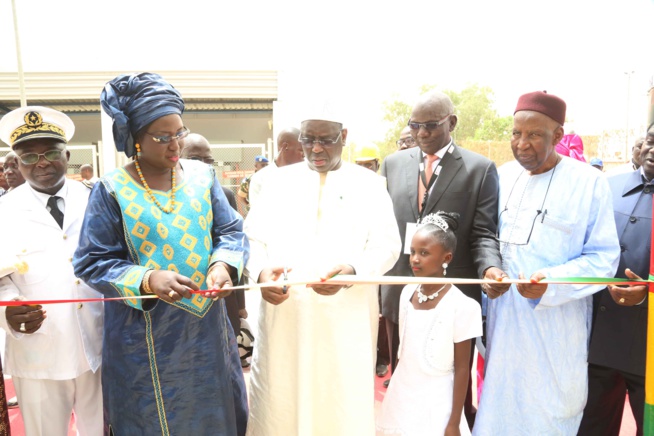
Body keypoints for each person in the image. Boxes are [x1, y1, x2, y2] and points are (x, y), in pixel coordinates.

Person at [73, 72, 249, 435]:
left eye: (180, 133)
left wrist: (222, 264)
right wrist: (147, 279)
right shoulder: (111, 190)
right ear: (136, 140)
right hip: (143, 340)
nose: (175, 146)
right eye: (163, 137)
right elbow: (91, 261)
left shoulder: (203, 177)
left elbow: (230, 230)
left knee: (214, 416)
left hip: (206, 333)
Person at [244, 105, 401, 435]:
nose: (315, 149)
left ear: (343, 137)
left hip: (345, 318)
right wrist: (260, 275)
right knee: (281, 399)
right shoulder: (275, 182)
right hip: (284, 315)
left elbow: (388, 246)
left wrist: (352, 271)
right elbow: (251, 239)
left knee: (339, 400)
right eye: (307, 139)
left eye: (326, 140)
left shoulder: (370, 185)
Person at [474, 91, 621, 435]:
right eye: (515, 133)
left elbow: (603, 257)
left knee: (550, 413)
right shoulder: (502, 176)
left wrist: (549, 282)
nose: (521, 143)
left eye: (534, 135)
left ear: (557, 136)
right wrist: (489, 270)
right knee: (498, 409)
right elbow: (485, 236)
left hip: (556, 325)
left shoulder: (590, 182)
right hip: (502, 319)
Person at [380, 90, 507, 417]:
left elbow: (482, 233)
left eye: (431, 126)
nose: (421, 134)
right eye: (414, 125)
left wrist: (490, 268)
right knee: (402, 375)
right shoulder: (393, 165)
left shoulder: (480, 169)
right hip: (399, 291)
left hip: (452, 295)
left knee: (453, 384)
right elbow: (381, 230)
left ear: (452, 122)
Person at [0, 106, 103, 435]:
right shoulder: (4, 211)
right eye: (28, 156)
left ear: (68, 155)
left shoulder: (97, 201)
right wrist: (8, 311)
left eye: (51, 153)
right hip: (38, 351)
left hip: (98, 346)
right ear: (16, 163)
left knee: (100, 430)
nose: (41, 162)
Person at [578, 122, 654, 435]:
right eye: (651, 140)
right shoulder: (606, 185)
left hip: (648, 350)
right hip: (600, 342)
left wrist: (649, 292)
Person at [376, 211, 481, 436]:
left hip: (437, 403)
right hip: (401, 398)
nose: (414, 259)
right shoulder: (406, 293)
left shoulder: (463, 306)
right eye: (413, 252)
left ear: (447, 258)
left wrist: (453, 422)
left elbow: (463, 369)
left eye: (424, 253)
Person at [180, 132, 248, 342]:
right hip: (182, 298)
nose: (202, 165)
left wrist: (241, 304)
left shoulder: (224, 195)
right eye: (194, 159)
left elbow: (233, 241)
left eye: (208, 160)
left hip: (220, 295)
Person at [248, 127, 303, 208]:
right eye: (300, 150)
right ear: (285, 146)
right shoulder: (260, 178)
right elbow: (258, 212)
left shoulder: (305, 175)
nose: (304, 154)